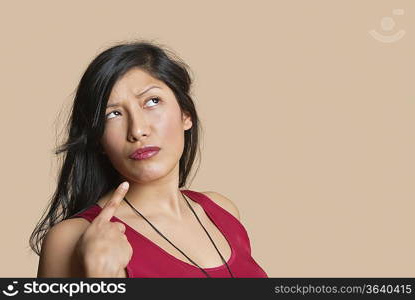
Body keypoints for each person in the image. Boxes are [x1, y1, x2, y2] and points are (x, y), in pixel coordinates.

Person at [31, 40, 268, 278]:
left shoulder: (222, 211)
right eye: (113, 114)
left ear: (186, 114)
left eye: (152, 101)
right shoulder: (70, 239)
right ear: (98, 140)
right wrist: (100, 277)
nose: (137, 130)